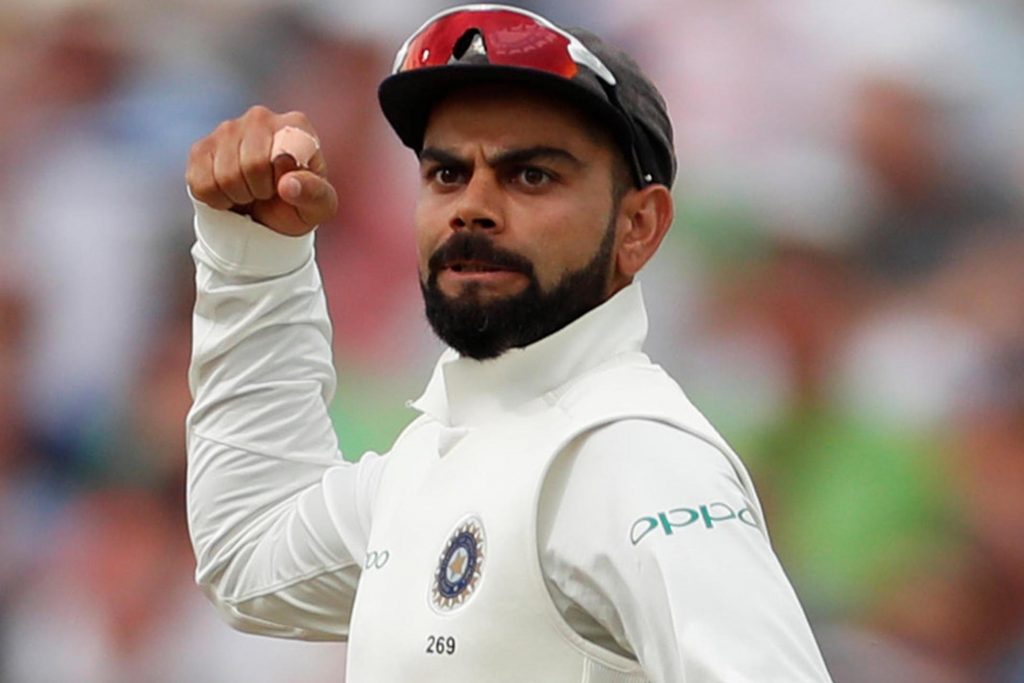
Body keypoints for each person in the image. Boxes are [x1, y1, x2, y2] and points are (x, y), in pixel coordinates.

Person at [184, 5, 833, 681]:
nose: (472, 206)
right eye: (447, 174)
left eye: (531, 176)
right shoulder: (440, 454)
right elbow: (250, 554)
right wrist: (254, 255)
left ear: (639, 226)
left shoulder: (633, 456)